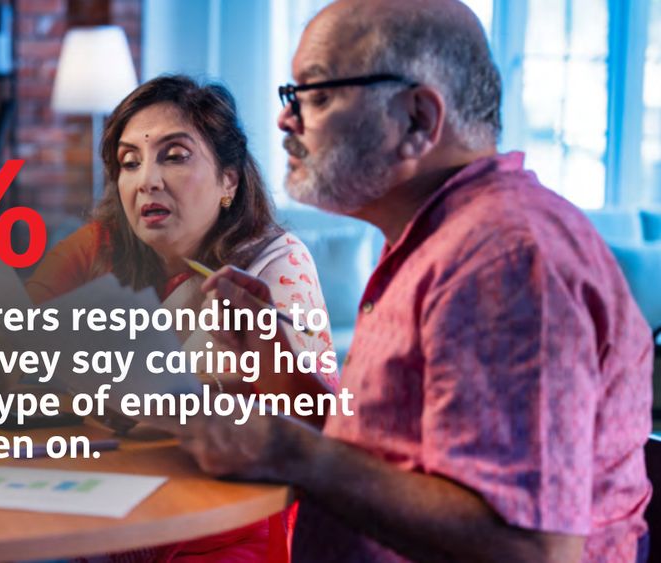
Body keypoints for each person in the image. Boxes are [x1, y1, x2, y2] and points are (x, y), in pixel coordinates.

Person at [180, 1, 654, 562]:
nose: (286, 119)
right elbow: (388, 452)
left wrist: (291, 453)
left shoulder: (505, 256)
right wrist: (274, 364)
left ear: (417, 120)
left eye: (317, 94)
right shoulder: (438, 240)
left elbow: (534, 549)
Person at [0, 74, 338, 560]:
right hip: (104, 516)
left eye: (174, 156)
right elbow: (1, 387)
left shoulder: (274, 261)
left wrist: (265, 346)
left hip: (221, 524)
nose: (147, 180)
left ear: (229, 179)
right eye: (129, 162)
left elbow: (321, 430)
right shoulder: (96, 246)